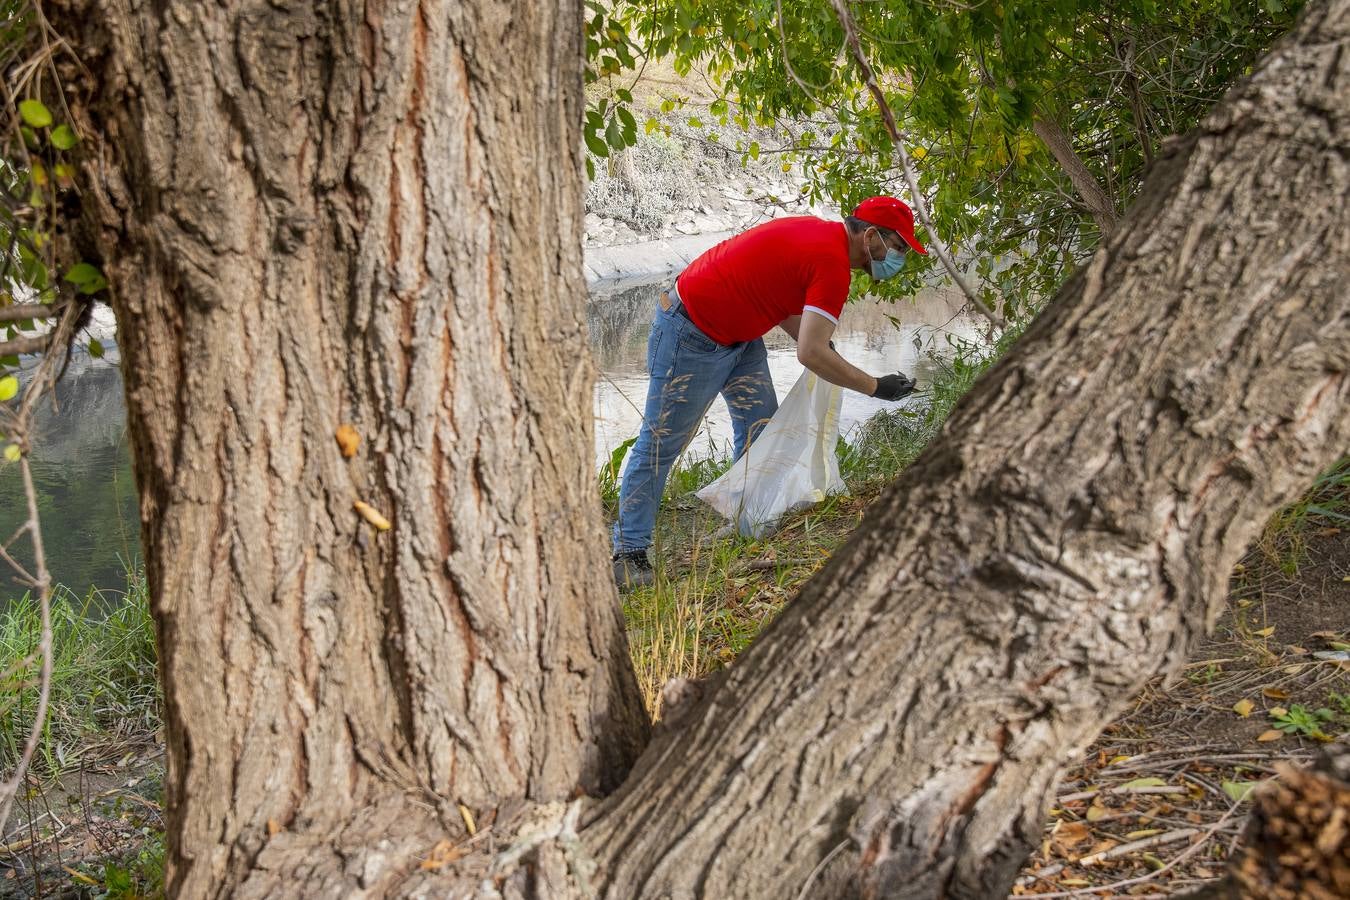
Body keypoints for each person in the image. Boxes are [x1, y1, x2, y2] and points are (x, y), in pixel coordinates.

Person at [612, 195, 927, 589]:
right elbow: (810, 352)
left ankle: (745, 521)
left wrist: (832, 357)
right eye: (897, 248)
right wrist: (875, 387)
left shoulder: (823, 239)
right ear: (871, 237)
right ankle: (628, 553)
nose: (898, 258)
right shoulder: (832, 264)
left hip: (739, 336)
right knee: (661, 443)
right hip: (691, 332)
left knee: (759, 426)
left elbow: (781, 300)